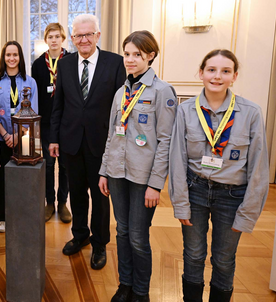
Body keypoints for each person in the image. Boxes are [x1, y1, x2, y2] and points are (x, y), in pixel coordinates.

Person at [169, 49, 269, 302]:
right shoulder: (185, 111)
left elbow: (259, 168)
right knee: (193, 255)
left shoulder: (251, 112)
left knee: (224, 259)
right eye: (211, 70)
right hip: (195, 191)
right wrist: (180, 204)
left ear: (234, 76)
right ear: (200, 73)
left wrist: (247, 214)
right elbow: (177, 160)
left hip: (232, 196)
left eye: (225, 71)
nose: (217, 76)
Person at [98, 30, 177, 302]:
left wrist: (156, 184)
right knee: (121, 231)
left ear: (151, 56)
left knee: (138, 237)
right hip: (117, 172)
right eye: (127, 54)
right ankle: (125, 284)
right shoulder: (121, 92)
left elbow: (166, 141)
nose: (130, 60)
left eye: (137, 55)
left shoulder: (162, 91)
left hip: (143, 178)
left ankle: (141, 292)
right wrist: (104, 171)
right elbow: (112, 134)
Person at [49, 14, 125, 269]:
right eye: (78, 35)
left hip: (101, 144)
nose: (83, 39)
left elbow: (121, 109)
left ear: (98, 36)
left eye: (88, 34)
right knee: (77, 193)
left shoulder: (115, 63)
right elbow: (58, 105)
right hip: (71, 142)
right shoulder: (66, 64)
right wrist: (54, 138)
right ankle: (80, 236)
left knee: (101, 197)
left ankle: (100, 243)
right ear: (72, 38)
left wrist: (117, 144)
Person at [0, 41, 38, 234]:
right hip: (1, 139)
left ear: (20, 57)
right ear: (3, 57)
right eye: (8, 55)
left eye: (15, 55)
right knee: (1, 179)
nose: (11, 58)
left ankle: (22, 214)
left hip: (24, 139)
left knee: (22, 178)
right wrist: (5, 134)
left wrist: (18, 135)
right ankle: (1, 218)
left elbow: (33, 111)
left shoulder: (30, 82)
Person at [31, 22, 71, 223]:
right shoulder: (38, 64)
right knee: (47, 164)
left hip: (67, 123)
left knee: (65, 165)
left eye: (57, 36)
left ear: (63, 39)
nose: (54, 40)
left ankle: (63, 203)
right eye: (50, 36)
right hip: (46, 123)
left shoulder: (72, 60)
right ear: (45, 39)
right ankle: (49, 202)